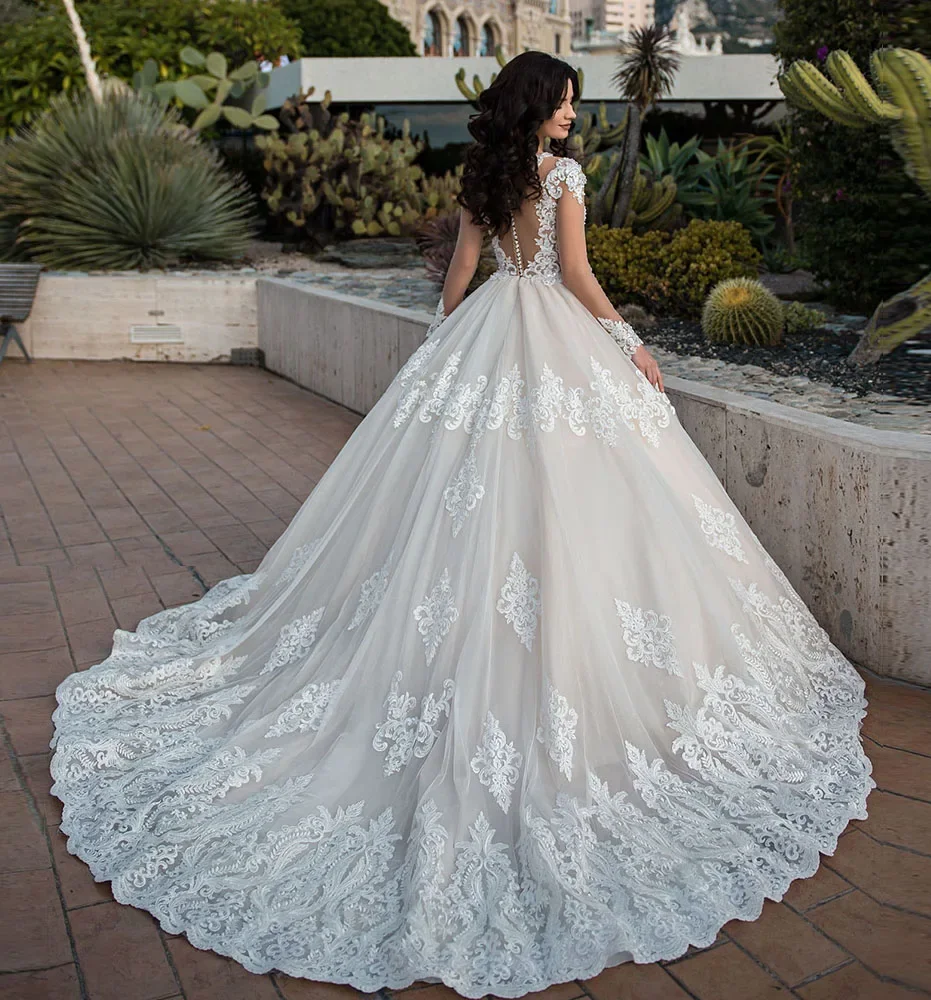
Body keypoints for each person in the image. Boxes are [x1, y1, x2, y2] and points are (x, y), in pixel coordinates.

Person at [49, 50, 874, 1000]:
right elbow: (575, 277)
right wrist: (632, 345)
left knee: (459, 507)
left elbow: (464, 280)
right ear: (540, 108)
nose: (573, 116)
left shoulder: (479, 179)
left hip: (485, 341)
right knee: (573, 503)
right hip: (554, 342)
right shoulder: (561, 179)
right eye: (565, 102)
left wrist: (442, 355)